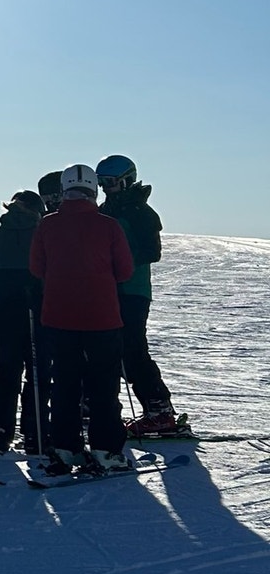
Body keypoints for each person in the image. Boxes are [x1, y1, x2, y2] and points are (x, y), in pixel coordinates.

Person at [29, 162, 134, 476]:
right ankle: (106, 450)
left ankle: (65, 447)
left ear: (64, 191)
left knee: (64, 384)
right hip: (102, 318)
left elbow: (36, 268)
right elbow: (125, 271)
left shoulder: (47, 225)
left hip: (59, 317)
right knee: (103, 386)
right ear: (94, 190)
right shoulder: (109, 226)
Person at [97, 154, 177, 434]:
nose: (105, 187)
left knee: (132, 349)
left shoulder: (140, 212)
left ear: (127, 180)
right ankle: (102, 407)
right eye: (100, 182)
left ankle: (160, 409)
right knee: (108, 349)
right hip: (107, 289)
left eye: (110, 182)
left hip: (131, 290)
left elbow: (151, 252)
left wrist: (115, 260)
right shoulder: (105, 209)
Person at [0, 190, 44, 453]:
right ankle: (36, 434)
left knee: (6, 374)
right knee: (38, 375)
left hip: (4, 313)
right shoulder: (42, 235)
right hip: (38, 312)